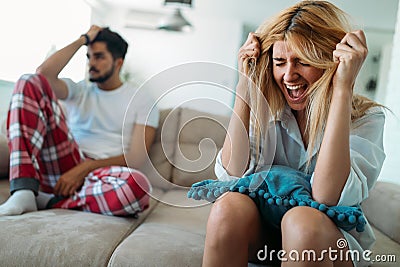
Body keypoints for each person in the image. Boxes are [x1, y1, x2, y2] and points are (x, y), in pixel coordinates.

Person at [204, 1, 385, 266]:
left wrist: (342, 88)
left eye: (301, 61)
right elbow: (231, 174)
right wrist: (245, 84)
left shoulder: (367, 118)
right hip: (266, 234)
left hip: (325, 240)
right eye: (279, 62)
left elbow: (326, 197)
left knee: (302, 220)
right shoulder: (266, 108)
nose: (289, 75)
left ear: (328, 62)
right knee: (227, 206)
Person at [0, 25, 159, 217]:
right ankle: (24, 190)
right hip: (61, 161)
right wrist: (82, 39)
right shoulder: (79, 90)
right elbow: (43, 73)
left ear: (118, 63)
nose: (91, 63)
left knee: (137, 186)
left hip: (100, 175)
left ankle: (46, 200)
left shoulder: (142, 99)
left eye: (99, 57)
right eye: (89, 57)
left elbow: (135, 159)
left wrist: (84, 169)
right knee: (28, 81)